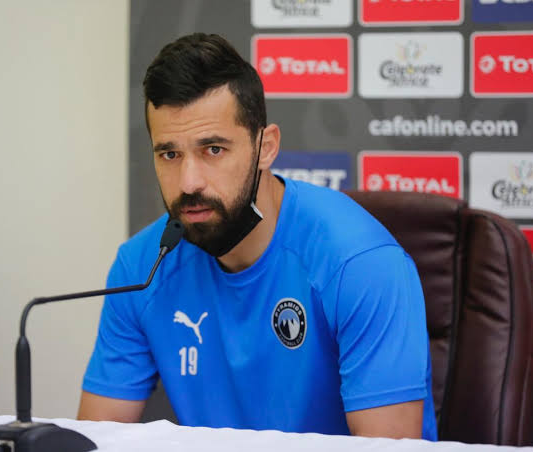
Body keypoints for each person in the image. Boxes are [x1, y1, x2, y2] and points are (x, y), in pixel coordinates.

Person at [78, 33, 437, 440]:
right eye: (170, 154)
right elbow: (95, 438)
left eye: (213, 150)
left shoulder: (361, 263)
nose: (189, 182)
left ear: (266, 147)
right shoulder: (141, 267)